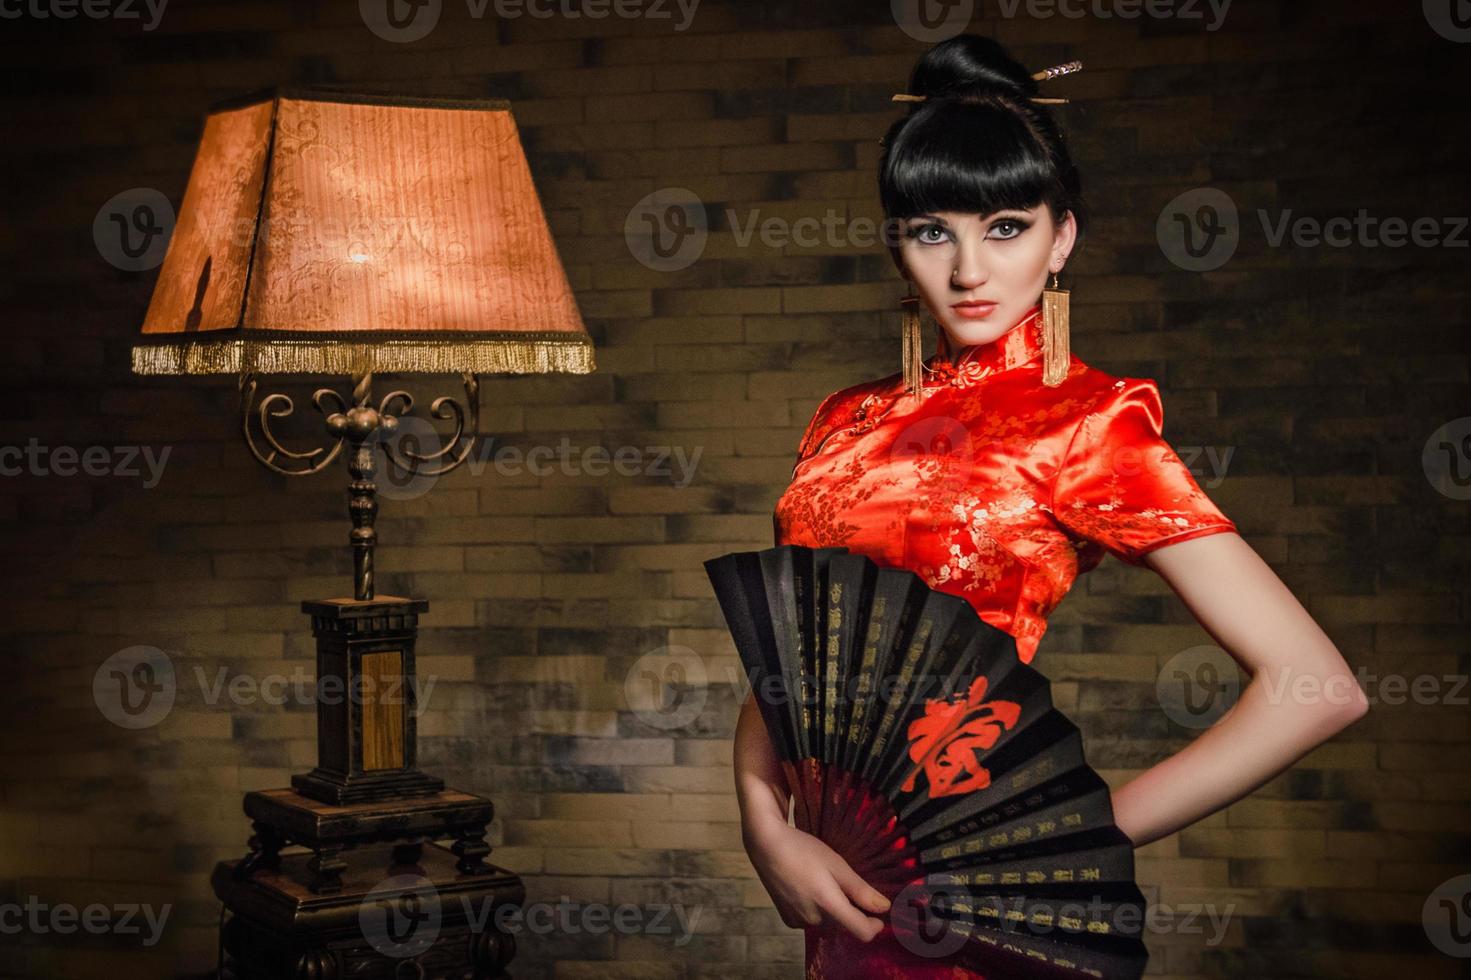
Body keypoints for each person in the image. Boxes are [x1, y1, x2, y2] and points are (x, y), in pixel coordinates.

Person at [731, 34, 1369, 979]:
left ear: (1060, 237)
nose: (966, 271)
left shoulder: (1086, 423)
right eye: (931, 230)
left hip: (965, 878)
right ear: (895, 242)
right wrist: (763, 831)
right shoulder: (843, 418)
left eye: (1003, 227)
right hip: (828, 876)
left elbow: (1316, 688)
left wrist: (1064, 841)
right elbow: (794, 655)